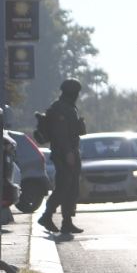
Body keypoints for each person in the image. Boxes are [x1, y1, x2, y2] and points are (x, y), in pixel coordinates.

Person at [38, 79, 87, 234]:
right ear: (71, 92)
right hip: (63, 153)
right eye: (76, 92)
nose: (77, 95)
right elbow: (61, 133)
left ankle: (67, 221)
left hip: (71, 150)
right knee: (63, 187)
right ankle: (46, 216)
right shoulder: (60, 108)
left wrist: (73, 150)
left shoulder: (69, 106)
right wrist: (67, 152)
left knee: (73, 188)